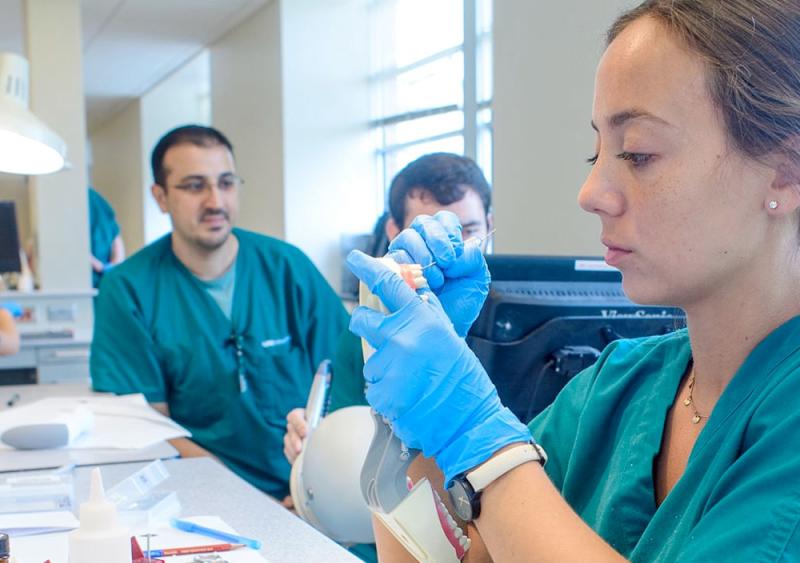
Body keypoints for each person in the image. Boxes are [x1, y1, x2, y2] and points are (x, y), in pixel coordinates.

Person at [347, 1, 800, 560]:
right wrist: (411, 420)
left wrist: (482, 441)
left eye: (638, 152)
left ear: (786, 169)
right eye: (597, 151)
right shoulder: (615, 388)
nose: (591, 193)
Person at [91, 125, 348, 500]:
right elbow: (150, 429)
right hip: (205, 495)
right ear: (160, 197)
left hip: (314, 488)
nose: (215, 200)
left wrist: (314, 487)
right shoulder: (129, 289)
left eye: (226, 183)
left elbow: (346, 382)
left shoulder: (287, 268)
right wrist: (250, 501)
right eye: (194, 186)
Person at [283, 153, 492, 563]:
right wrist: (318, 453)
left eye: (467, 231)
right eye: (427, 233)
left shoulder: (526, 324)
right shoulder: (374, 332)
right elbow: (364, 462)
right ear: (395, 232)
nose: (449, 250)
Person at [88, 187, 125, 288]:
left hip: (96, 282)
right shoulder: (94, 198)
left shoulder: (90, 199)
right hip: (106, 281)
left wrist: (103, 268)